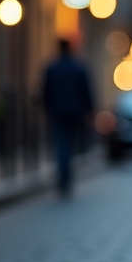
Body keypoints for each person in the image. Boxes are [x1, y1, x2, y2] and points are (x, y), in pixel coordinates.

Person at [42, 38, 94, 196]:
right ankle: (66, 175)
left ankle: (63, 176)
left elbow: (46, 91)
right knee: (69, 144)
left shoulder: (52, 68)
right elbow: (87, 91)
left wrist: (46, 108)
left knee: (61, 143)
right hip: (75, 112)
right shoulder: (78, 68)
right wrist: (89, 110)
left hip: (57, 112)